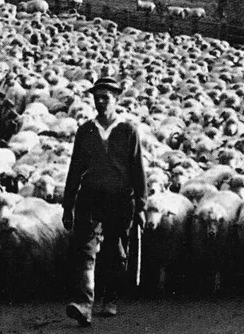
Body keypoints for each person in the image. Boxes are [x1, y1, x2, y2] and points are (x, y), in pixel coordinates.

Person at [62, 75, 146, 327]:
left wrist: (141, 206)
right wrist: (68, 204)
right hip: (90, 198)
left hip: (120, 200)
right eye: (97, 97)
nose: (100, 102)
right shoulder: (85, 131)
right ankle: (84, 305)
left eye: (105, 98)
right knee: (86, 251)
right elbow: (75, 168)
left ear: (116, 100)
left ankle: (110, 297)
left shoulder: (128, 130)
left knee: (114, 251)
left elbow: (137, 170)